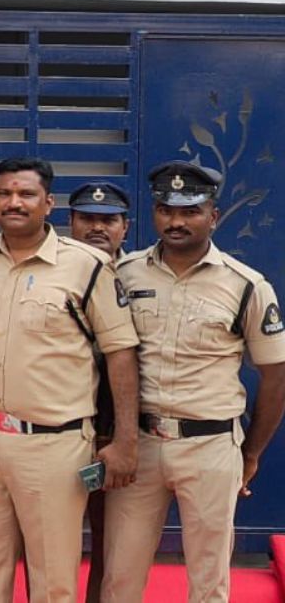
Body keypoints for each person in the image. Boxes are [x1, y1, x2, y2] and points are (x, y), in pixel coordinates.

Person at [102, 162, 285, 603]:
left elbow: (276, 375)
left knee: (209, 577)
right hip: (138, 446)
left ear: (214, 216)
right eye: (166, 210)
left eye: (190, 211)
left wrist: (251, 452)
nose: (176, 221)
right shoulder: (125, 274)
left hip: (210, 445)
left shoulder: (246, 286)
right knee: (119, 575)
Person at [0, 157, 139, 603]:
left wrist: (127, 440)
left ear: (49, 203)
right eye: (4, 194)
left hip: (52, 444)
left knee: (53, 578)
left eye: (26, 194)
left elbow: (120, 353)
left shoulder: (87, 265)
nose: (14, 203)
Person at [66, 179, 132, 603]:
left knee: (113, 548)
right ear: (69, 222)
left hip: (118, 435)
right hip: (61, 431)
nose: (97, 228)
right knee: (53, 545)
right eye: (87, 219)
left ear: (125, 227)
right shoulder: (53, 268)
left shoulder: (143, 274)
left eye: (108, 220)